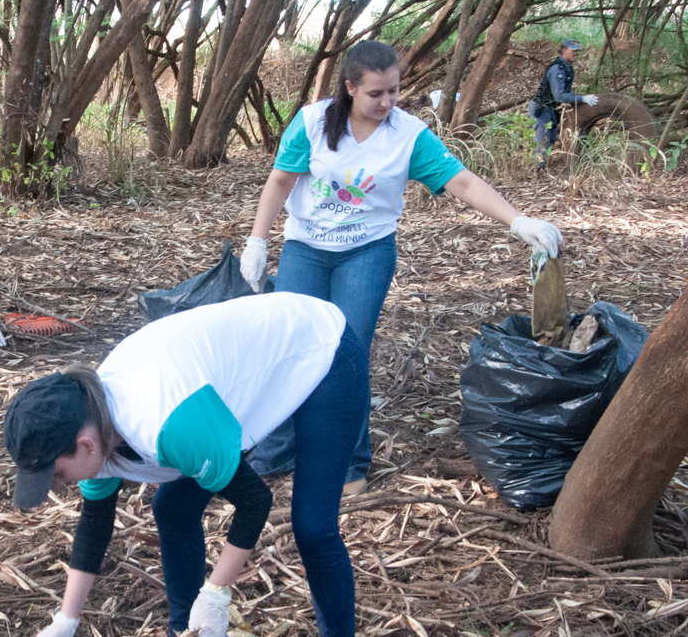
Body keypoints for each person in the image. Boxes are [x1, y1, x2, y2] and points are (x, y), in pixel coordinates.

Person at [5, 293, 370, 637]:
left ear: (85, 446)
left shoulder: (163, 421)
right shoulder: (92, 419)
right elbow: (95, 522)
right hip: (224, 388)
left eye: (56, 473)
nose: (57, 485)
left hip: (319, 352)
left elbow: (254, 503)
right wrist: (65, 622)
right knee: (172, 505)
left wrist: (216, 596)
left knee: (313, 526)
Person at [240, 40, 564, 494]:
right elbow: (280, 180)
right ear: (350, 87)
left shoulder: (407, 135)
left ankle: (348, 464)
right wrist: (257, 241)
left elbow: (463, 181)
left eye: (394, 91)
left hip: (366, 252)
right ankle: (276, 450)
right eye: (376, 93)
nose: (387, 102)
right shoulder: (313, 122)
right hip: (306, 248)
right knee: (290, 346)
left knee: (345, 354)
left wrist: (517, 220)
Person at [530, 39, 598, 169]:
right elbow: (559, 95)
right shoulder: (557, 69)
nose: (575, 54)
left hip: (551, 109)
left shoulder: (568, 69)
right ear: (564, 50)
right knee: (541, 142)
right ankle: (537, 169)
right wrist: (582, 98)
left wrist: (576, 100)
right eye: (573, 51)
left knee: (550, 140)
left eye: (577, 51)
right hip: (541, 108)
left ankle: (542, 167)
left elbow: (567, 91)